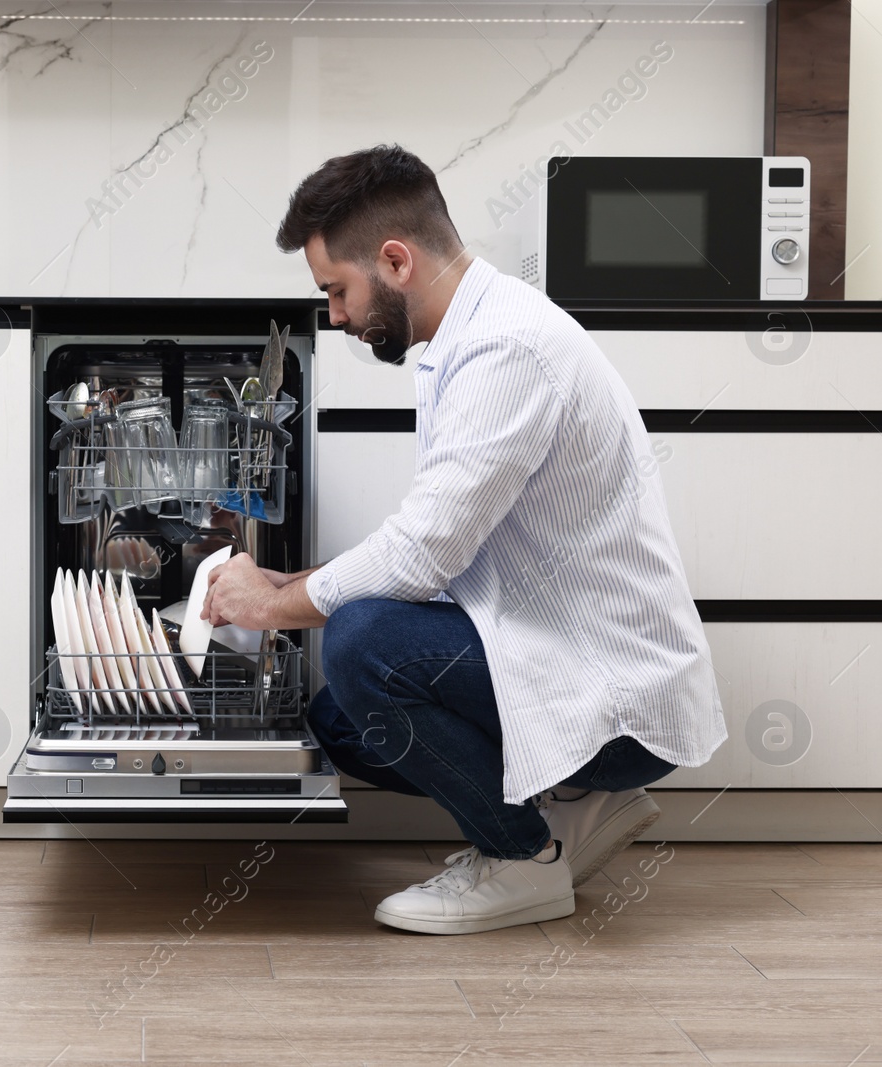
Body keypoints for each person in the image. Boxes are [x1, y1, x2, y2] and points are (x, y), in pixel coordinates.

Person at [201, 144, 726, 935]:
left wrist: (273, 610)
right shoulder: (469, 335)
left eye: (336, 291)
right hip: (555, 653)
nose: (336, 316)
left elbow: (419, 556)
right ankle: (577, 806)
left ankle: (522, 860)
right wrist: (281, 582)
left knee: (360, 643)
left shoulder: (504, 349)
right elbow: (433, 542)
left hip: (614, 693)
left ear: (395, 260)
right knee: (343, 718)